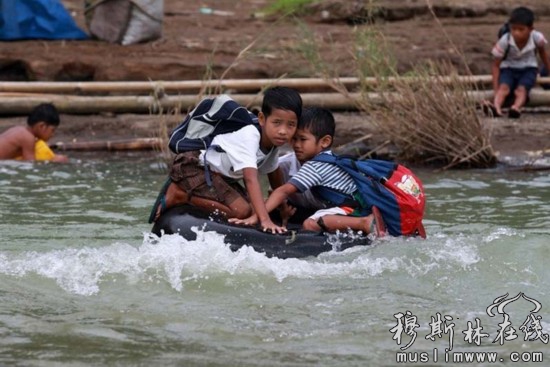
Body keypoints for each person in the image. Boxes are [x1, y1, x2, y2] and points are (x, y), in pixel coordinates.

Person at [151, 86, 302, 234]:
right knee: (242, 211)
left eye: (291, 125)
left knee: (253, 206)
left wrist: (283, 207)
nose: (283, 131)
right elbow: (250, 179)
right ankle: (180, 194)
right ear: (262, 119)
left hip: (216, 176)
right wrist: (265, 220)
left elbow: (274, 174)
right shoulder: (251, 135)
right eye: (277, 123)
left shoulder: (273, 143)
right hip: (193, 166)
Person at [230, 107, 386, 237]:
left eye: (303, 140)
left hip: (354, 208)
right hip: (339, 207)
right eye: (294, 139)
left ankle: (364, 222)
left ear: (325, 142)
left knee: (309, 224)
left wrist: (256, 217)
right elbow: (270, 177)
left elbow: (283, 191)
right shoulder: (288, 163)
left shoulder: (317, 165)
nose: (296, 145)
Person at [485, 6, 550, 118]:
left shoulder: (536, 38)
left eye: (520, 30)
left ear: (530, 29)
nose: (516, 33)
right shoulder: (505, 40)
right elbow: (496, 65)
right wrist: (496, 88)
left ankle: (515, 107)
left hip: (529, 69)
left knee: (521, 90)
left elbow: (543, 55)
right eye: (513, 29)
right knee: (503, 88)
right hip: (508, 68)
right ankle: (496, 107)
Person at [0, 103, 69, 162]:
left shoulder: (20, 130)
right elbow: (30, 164)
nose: (52, 135)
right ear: (42, 126)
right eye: (52, 130)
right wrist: (52, 160)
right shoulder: (28, 138)